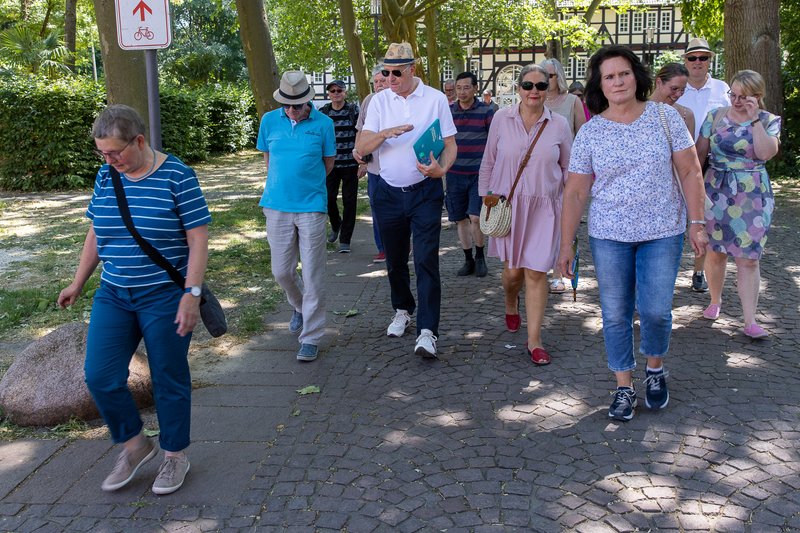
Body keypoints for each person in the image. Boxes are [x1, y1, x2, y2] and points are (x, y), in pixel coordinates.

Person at [57, 104, 211, 495]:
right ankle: (135, 444)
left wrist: (191, 294)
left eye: (114, 152)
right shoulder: (106, 176)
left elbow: (198, 239)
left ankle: (174, 455)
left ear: (139, 141)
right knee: (100, 376)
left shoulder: (177, 175)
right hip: (114, 294)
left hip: (164, 296)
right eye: (102, 153)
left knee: (168, 376)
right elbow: (97, 231)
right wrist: (78, 282)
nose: (108, 160)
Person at [558, 45, 708, 422]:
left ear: (636, 76)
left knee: (655, 311)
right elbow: (575, 192)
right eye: (609, 76)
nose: (618, 81)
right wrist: (565, 244)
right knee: (615, 314)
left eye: (623, 73)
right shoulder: (591, 132)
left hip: (663, 231)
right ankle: (623, 385)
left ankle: (654, 368)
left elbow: (690, 171)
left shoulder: (664, 117)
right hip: (609, 235)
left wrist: (697, 222)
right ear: (600, 85)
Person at [356, 42, 457, 358]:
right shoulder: (378, 101)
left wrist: (442, 169)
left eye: (396, 73)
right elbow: (362, 147)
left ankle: (428, 331)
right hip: (387, 193)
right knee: (395, 259)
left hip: (425, 192)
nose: (390, 79)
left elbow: (450, 144)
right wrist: (384, 133)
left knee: (426, 260)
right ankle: (402, 309)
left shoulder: (435, 99)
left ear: (413, 69)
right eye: (386, 73)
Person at [479, 64, 572, 366]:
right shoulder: (501, 119)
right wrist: (485, 200)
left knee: (536, 272)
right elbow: (489, 160)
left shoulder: (559, 125)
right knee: (513, 273)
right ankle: (510, 300)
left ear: (549, 89)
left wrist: (571, 208)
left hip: (545, 208)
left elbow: (568, 168)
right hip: (508, 206)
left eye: (541, 86)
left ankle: (535, 340)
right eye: (528, 85)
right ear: (518, 88)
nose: (534, 91)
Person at [257, 71, 336, 361]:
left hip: (312, 206)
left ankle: (311, 337)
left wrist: (307, 184)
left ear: (307, 101)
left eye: (297, 105)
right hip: (276, 204)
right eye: (287, 105)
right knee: (281, 271)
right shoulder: (269, 121)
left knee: (313, 274)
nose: (291, 110)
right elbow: (268, 159)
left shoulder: (324, 124)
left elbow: (328, 163)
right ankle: (300, 306)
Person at [695, 70, 781, 338]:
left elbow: (765, 153)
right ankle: (715, 300)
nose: (736, 100)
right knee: (715, 252)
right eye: (733, 94)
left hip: (752, 195)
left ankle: (750, 320)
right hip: (715, 190)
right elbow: (698, 156)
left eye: (743, 96)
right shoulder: (715, 116)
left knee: (749, 258)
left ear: (757, 96)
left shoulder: (768, 121)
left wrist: (754, 119)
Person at [677, 37, 731, 293]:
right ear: (685, 61)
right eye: (692, 57)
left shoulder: (722, 89)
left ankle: (699, 270)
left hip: (712, 161)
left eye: (703, 57)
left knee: (707, 217)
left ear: (710, 60)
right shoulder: (677, 88)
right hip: (677, 159)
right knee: (676, 215)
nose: (697, 62)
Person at [541, 58, 586, 295]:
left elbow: (584, 135)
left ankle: (558, 274)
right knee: (540, 224)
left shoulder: (572, 102)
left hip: (567, 173)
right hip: (539, 173)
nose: (545, 80)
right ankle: (537, 269)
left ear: (558, 76)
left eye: (549, 75)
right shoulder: (533, 100)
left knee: (562, 224)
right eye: (542, 75)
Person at [448, 71, 494, 278]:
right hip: (454, 172)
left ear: (475, 88)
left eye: (466, 87)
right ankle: (468, 259)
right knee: (460, 219)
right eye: (458, 88)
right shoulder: (448, 112)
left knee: (476, 217)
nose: (462, 92)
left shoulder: (486, 111)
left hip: (478, 174)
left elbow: (494, 142)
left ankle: (480, 256)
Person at [354, 65, 390, 263]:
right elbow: (360, 129)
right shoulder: (368, 100)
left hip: (396, 168)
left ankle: (401, 243)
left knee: (398, 209)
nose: (378, 85)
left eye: (382, 81)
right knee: (376, 207)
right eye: (375, 82)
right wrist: (358, 152)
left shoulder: (398, 101)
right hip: (375, 167)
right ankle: (382, 247)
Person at [319, 80, 360, 253]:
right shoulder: (323, 112)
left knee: (349, 202)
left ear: (345, 93)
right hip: (330, 164)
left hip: (350, 164)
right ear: (329, 94)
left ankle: (345, 240)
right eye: (333, 90)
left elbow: (361, 134)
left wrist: (363, 161)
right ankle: (336, 224)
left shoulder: (353, 111)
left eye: (339, 90)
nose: (336, 93)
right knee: (328, 198)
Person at [651, 63, 695, 140]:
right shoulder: (637, 110)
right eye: (674, 88)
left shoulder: (686, 115)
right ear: (659, 82)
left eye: (682, 90)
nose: (679, 94)